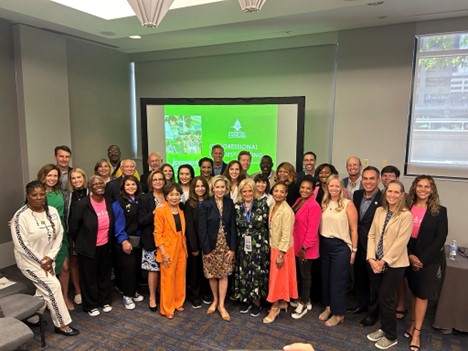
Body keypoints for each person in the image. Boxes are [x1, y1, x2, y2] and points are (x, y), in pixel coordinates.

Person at [10, 180, 79, 336]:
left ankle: (32, 317)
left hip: (49, 259)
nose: (39, 198)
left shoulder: (52, 211)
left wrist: (50, 257)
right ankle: (61, 324)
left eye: (42, 194)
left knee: (43, 290)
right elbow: (22, 245)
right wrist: (42, 261)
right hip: (30, 263)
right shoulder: (20, 217)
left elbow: (59, 235)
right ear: (27, 196)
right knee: (53, 286)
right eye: (34, 195)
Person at [366, 180, 412, 350]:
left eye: (396, 192)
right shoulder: (380, 210)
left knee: (387, 298)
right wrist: (371, 258)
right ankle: (384, 328)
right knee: (381, 296)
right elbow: (371, 235)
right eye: (389, 191)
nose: (392, 195)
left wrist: (383, 261)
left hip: (394, 264)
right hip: (375, 261)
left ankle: (391, 336)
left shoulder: (406, 215)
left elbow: (401, 243)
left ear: (402, 195)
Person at [404, 176, 448, 351]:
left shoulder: (440, 211)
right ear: (414, 188)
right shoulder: (407, 207)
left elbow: (440, 238)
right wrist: (409, 255)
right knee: (414, 292)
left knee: (422, 295)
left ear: (432, 190)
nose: (423, 189)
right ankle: (412, 323)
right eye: (419, 186)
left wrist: (421, 260)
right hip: (409, 255)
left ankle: (417, 332)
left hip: (428, 260)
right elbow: (400, 234)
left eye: (427, 186)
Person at [68, 175, 114, 317]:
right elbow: (73, 227)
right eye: (95, 184)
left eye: (101, 183)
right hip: (88, 247)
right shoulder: (82, 204)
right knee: (89, 277)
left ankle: (104, 301)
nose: (99, 186)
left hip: (105, 245)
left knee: (104, 275)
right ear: (90, 187)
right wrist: (82, 242)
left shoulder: (109, 202)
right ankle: (91, 305)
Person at [319, 174, 358, 327]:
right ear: (327, 187)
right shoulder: (325, 202)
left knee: (338, 281)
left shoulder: (348, 204)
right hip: (325, 244)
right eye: (331, 186)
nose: (334, 189)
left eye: (337, 186)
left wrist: (354, 250)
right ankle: (329, 307)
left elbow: (354, 229)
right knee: (326, 279)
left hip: (341, 247)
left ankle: (339, 313)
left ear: (341, 188)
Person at [198, 175, 236, 321]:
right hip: (210, 247)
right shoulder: (206, 205)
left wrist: (232, 248)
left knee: (224, 274)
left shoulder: (230, 203)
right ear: (213, 188)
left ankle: (221, 305)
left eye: (223, 187)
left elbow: (233, 226)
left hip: (225, 246)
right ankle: (214, 300)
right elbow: (202, 229)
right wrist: (206, 250)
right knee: (212, 275)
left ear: (226, 189)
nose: (220, 190)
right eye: (217, 187)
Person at [37, 164, 73, 310]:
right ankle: (51, 298)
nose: (52, 178)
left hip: (60, 233)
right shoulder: (38, 192)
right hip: (44, 235)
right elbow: (26, 208)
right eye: (49, 175)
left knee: (65, 267)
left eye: (55, 176)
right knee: (47, 268)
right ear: (43, 176)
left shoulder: (59, 192)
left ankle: (64, 297)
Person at [350, 166, 382, 327]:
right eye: (365, 178)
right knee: (360, 278)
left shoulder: (384, 199)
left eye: (372, 178)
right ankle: (362, 304)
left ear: (379, 180)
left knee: (375, 282)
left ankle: (373, 312)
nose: (368, 182)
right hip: (358, 244)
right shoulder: (356, 195)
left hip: (374, 247)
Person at [234, 178, 270, 317]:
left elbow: (266, 225)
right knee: (243, 271)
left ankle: (256, 302)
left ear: (254, 191)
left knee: (257, 273)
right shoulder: (237, 206)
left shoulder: (262, 205)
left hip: (259, 245)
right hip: (243, 245)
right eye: (245, 191)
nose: (248, 194)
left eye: (250, 191)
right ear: (241, 193)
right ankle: (245, 299)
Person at [264, 181, 297, 323]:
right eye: (276, 191)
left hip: (282, 249)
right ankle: (282, 302)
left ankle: (275, 307)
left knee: (277, 279)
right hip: (274, 246)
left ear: (286, 194)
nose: (278, 194)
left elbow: (286, 234)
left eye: (281, 192)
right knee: (278, 278)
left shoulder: (287, 211)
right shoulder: (272, 206)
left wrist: (281, 254)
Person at [154, 183, 187, 319]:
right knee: (167, 279)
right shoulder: (161, 210)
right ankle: (167, 308)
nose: (174, 197)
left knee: (180, 276)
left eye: (177, 194)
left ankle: (178, 302)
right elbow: (157, 233)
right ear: (166, 196)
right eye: (171, 194)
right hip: (167, 248)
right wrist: (164, 253)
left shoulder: (181, 210)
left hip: (181, 247)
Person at [290, 176, 321, 319]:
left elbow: (312, 230)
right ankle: (306, 299)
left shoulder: (314, 206)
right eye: (302, 187)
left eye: (308, 188)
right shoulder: (299, 201)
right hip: (296, 245)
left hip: (306, 249)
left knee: (305, 276)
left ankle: (303, 303)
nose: (304, 190)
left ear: (313, 190)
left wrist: (304, 248)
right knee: (301, 276)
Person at [112, 175, 144, 310]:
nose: (131, 187)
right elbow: (118, 224)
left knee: (136, 267)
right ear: (123, 187)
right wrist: (123, 240)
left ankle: (133, 290)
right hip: (125, 240)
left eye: (133, 184)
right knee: (128, 267)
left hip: (138, 241)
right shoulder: (118, 202)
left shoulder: (140, 200)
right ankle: (127, 295)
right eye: (128, 185)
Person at [138, 170, 166, 312]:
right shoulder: (145, 198)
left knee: (165, 269)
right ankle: (152, 298)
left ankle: (164, 295)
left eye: (160, 179)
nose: (158, 182)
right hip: (151, 240)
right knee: (153, 270)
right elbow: (141, 221)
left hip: (167, 240)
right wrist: (155, 212)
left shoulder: (169, 196)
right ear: (150, 182)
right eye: (155, 179)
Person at [184, 176, 212, 308]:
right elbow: (189, 226)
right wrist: (194, 246)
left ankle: (206, 292)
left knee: (206, 269)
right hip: (194, 244)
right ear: (193, 188)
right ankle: (195, 295)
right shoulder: (189, 204)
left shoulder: (211, 202)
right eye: (197, 186)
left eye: (202, 186)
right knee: (194, 270)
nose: (200, 189)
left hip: (208, 243)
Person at [66, 168, 88, 306]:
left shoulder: (91, 192)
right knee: (74, 262)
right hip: (74, 234)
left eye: (79, 177)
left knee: (88, 263)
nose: (76, 181)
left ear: (84, 178)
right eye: (73, 178)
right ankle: (78, 291)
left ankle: (88, 289)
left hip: (90, 235)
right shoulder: (68, 196)